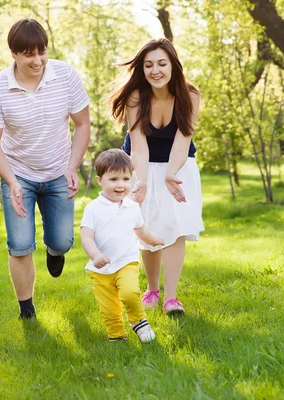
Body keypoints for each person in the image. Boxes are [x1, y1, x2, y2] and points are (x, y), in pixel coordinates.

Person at [0, 19, 90, 320]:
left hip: (58, 172)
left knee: (62, 241)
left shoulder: (66, 76)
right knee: (19, 245)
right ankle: (26, 309)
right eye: (29, 54)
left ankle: (55, 252)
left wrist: (73, 166)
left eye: (42, 52)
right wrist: (11, 181)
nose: (38, 60)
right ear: (13, 54)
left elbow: (82, 124)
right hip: (18, 176)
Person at [108, 38, 204, 316]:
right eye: (149, 65)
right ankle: (152, 289)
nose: (155, 70)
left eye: (162, 63)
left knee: (175, 230)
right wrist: (143, 181)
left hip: (179, 167)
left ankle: (171, 298)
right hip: (143, 166)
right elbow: (138, 145)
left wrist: (171, 175)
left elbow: (183, 141)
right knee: (148, 229)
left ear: (173, 65)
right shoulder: (137, 97)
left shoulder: (189, 96)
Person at [80, 149, 164, 342]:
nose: (121, 185)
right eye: (114, 179)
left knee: (129, 292)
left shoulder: (132, 207)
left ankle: (139, 322)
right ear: (100, 180)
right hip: (100, 269)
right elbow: (86, 237)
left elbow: (141, 230)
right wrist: (95, 255)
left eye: (126, 179)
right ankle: (117, 335)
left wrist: (154, 240)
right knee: (109, 307)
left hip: (127, 261)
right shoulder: (93, 208)